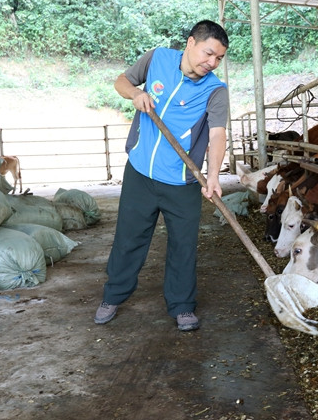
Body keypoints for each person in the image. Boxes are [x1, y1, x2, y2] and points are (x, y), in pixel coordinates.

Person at [94, 20, 230, 331]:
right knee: (129, 238)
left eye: (219, 58)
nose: (212, 63)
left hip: (182, 182)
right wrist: (135, 94)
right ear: (191, 43)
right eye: (208, 53)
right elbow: (121, 81)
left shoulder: (215, 90)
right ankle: (113, 296)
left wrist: (213, 176)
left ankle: (182, 306)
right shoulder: (157, 59)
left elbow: (218, 134)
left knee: (183, 245)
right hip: (140, 172)